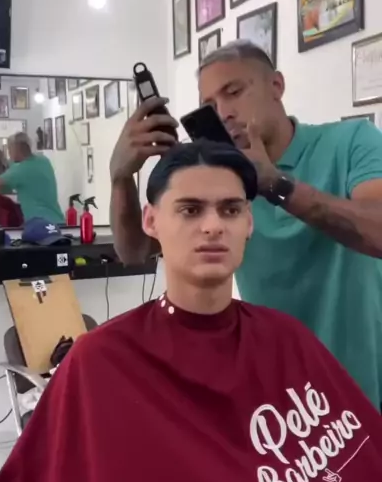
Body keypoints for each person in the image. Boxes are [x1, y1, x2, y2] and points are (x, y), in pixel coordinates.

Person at [0, 141, 382, 482]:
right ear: (151, 221)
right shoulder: (101, 363)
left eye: (230, 209)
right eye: (190, 209)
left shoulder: (287, 339)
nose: (213, 225)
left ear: (249, 223)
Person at [109, 41, 382, 409]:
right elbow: (133, 252)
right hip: (281, 384)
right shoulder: (225, 178)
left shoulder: (351, 141)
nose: (223, 113)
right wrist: (120, 178)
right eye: (209, 105)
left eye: (234, 92)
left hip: (363, 374)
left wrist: (275, 184)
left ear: (276, 86)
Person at [0, 131, 65, 225]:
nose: (9, 153)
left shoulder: (20, 170)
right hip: (58, 222)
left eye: (9, 149)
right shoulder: (43, 160)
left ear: (16, 148)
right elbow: (6, 186)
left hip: (40, 225)